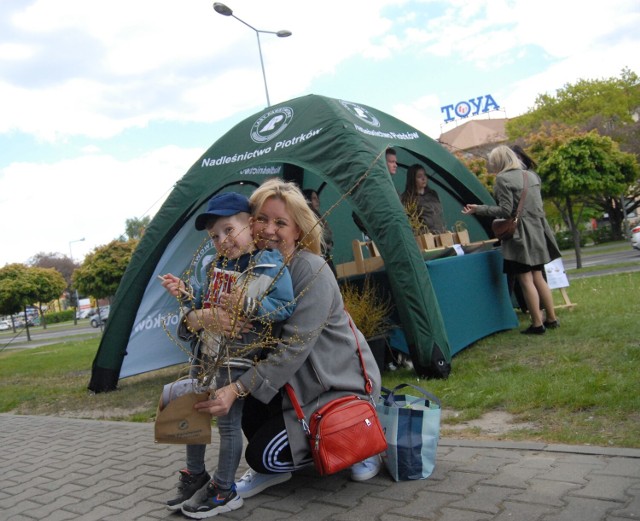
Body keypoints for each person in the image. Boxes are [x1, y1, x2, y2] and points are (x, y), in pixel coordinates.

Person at [186, 178, 383, 511]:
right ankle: (288, 457)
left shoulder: (311, 269)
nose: (269, 229)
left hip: (328, 389)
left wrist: (234, 389)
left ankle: (361, 444)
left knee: (261, 455)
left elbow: (292, 350)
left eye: (281, 222)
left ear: (298, 230)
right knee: (242, 423)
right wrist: (197, 318)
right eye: (261, 219)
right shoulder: (249, 267)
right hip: (283, 389)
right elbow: (209, 322)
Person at [159, 191, 295, 517]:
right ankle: (195, 476)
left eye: (228, 230)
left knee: (228, 424)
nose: (222, 240)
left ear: (250, 224)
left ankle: (224, 488)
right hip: (207, 354)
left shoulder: (268, 262)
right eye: (215, 236)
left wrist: (251, 305)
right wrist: (186, 296)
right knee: (193, 410)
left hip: (237, 359)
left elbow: (286, 305)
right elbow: (204, 308)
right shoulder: (216, 267)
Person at [462, 145, 561, 335]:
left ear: (499, 161)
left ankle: (537, 324)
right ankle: (552, 318)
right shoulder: (531, 176)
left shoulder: (502, 179)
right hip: (538, 230)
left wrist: (479, 209)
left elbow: (506, 211)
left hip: (520, 235)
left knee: (525, 279)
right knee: (538, 276)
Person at [352, 147, 398, 235]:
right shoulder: (371, 186)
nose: (395, 165)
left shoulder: (392, 187)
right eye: (391, 162)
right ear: (382, 162)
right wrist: (376, 236)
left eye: (395, 162)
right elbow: (357, 214)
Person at [400, 163, 446, 234]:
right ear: (412, 179)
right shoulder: (407, 198)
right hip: (425, 238)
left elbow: (440, 216)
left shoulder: (433, 194)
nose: (423, 178)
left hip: (442, 235)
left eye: (424, 175)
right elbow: (410, 222)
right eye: (419, 176)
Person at [302, 188, 336, 276]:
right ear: (307, 199)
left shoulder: (319, 216)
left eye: (317, 198)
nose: (317, 201)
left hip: (324, 257)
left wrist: (328, 244)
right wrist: (324, 244)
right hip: (317, 258)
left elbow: (327, 235)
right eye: (314, 198)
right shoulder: (307, 218)